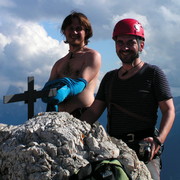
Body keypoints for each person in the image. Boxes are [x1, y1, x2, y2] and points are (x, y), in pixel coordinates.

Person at [80, 18, 175, 180]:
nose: (124, 47)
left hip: (144, 148)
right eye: (120, 42)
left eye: (130, 42)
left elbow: (169, 110)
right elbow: (94, 111)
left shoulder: (153, 74)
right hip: (114, 147)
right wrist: (75, 128)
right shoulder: (110, 78)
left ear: (141, 45)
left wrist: (158, 141)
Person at [42, 11, 101, 118]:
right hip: (59, 118)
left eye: (79, 29)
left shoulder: (92, 56)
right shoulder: (58, 63)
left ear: (86, 32)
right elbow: (48, 90)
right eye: (70, 28)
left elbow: (81, 83)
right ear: (64, 32)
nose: (74, 32)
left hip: (83, 115)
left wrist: (66, 90)